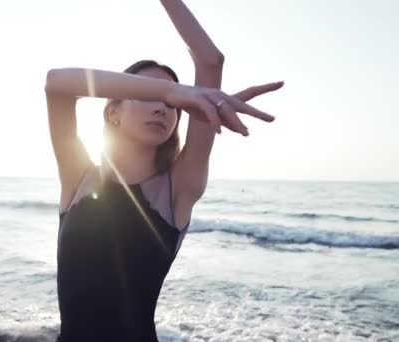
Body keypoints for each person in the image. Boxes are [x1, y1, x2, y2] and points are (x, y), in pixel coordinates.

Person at [45, 1, 284, 341]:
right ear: (113, 113)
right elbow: (57, 83)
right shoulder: (80, 177)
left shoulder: (177, 189)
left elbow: (210, 61)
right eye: (147, 95)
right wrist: (173, 91)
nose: (163, 108)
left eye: (173, 107)